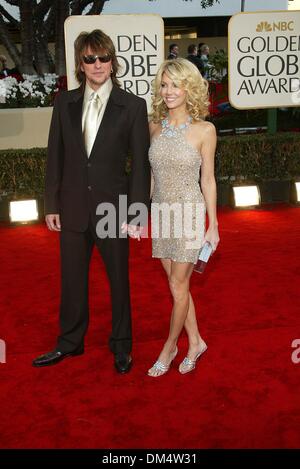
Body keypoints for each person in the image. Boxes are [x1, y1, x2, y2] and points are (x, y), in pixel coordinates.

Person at [32, 29, 151, 373]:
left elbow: (139, 165)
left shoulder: (132, 106)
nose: (97, 64)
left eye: (103, 58)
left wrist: (137, 211)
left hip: (114, 209)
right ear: (80, 65)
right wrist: (51, 205)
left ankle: (122, 346)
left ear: (113, 63)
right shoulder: (64, 103)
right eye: (89, 59)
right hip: (70, 207)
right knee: (71, 281)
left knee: (118, 280)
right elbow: (55, 156)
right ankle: (69, 343)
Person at [148, 58, 219, 377]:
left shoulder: (205, 129)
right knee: (177, 287)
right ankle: (197, 342)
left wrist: (213, 225)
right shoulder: (154, 126)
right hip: (161, 214)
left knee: (178, 285)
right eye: (164, 84)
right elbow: (151, 175)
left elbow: (208, 180)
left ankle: (169, 347)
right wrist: (141, 212)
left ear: (188, 87)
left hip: (190, 214)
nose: (168, 91)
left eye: (175, 84)